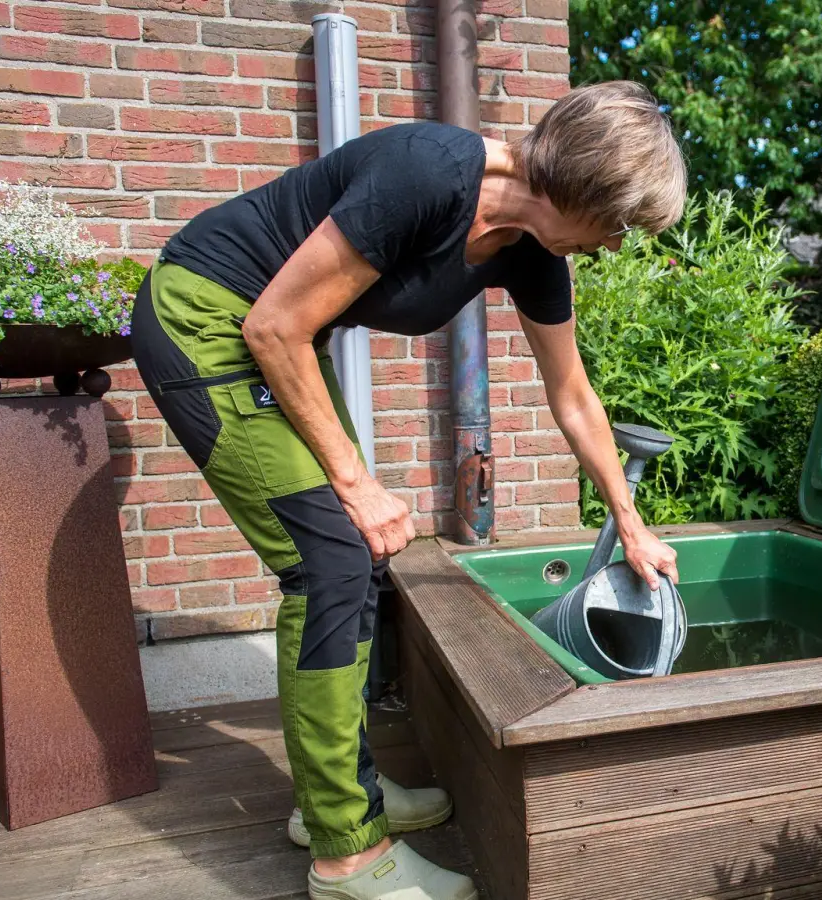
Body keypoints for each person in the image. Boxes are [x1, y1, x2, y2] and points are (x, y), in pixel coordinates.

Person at [130, 81, 685, 900]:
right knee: (330, 565)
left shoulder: (533, 250)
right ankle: (345, 855)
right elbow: (273, 326)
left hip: (280, 337)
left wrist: (631, 524)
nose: (615, 243)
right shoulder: (427, 172)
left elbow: (573, 397)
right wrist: (358, 485)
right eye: (619, 223)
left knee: (356, 559)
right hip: (208, 319)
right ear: (582, 187)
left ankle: (341, 798)